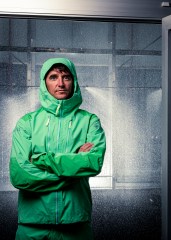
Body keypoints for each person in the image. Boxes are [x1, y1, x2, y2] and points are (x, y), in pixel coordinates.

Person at [9, 57, 106, 240]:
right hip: (32, 228)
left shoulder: (90, 121)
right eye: (53, 77)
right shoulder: (27, 123)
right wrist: (72, 171)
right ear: (44, 83)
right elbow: (19, 175)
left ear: (74, 81)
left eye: (66, 77)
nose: (60, 83)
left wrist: (42, 159)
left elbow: (93, 162)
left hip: (76, 227)